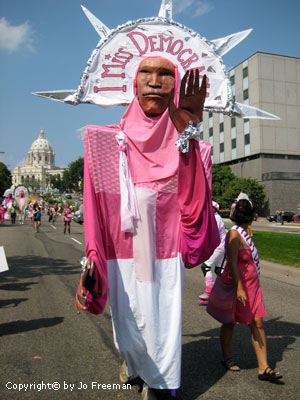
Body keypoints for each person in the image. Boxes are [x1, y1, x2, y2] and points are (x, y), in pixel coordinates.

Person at [75, 58, 219, 399]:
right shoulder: (104, 142)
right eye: (146, 73)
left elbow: (195, 213)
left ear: (177, 84)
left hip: (164, 253)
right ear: (133, 83)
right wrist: (93, 255)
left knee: (161, 317)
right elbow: (94, 205)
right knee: (127, 320)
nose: (155, 81)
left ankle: (162, 384)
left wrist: (187, 128)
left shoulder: (198, 148)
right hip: (120, 252)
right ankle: (136, 366)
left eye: (166, 74)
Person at [218, 199, 282, 383]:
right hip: (238, 288)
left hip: (253, 287)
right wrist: (239, 287)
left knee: (258, 323)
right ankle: (226, 357)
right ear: (251, 216)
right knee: (230, 322)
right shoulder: (234, 234)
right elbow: (231, 262)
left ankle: (264, 368)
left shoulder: (245, 233)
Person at [198, 201, 226, 305]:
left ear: (215, 209)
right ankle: (228, 289)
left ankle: (210, 291)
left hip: (218, 247)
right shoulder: (215, 217)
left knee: (205, 266)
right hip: (221, 246)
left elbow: (210, 232)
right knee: (219, 270)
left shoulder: (215, 218)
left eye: (211, 208)